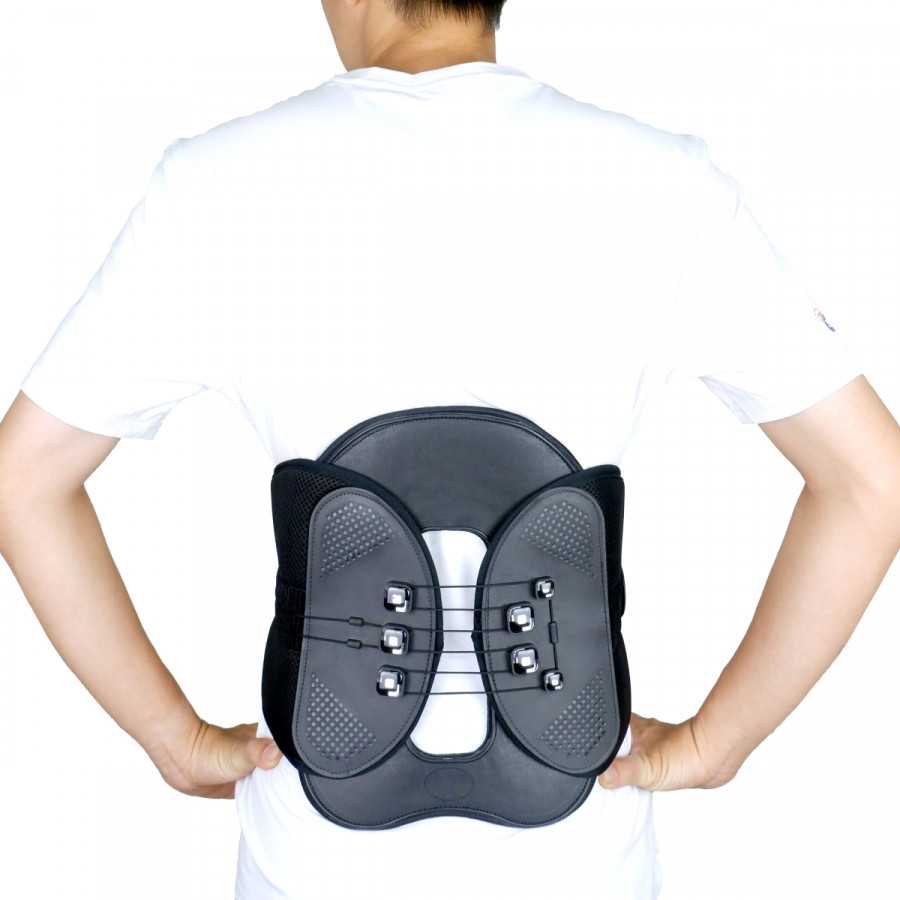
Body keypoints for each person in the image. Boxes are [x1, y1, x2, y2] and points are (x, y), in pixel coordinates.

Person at [1, 1, 898, 898]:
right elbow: (871, 484)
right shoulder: (664, 182)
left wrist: (172, 738)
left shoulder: (214, 185)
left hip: (317, 862)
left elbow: (23, 482)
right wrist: (719, 743)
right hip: (579, 860)